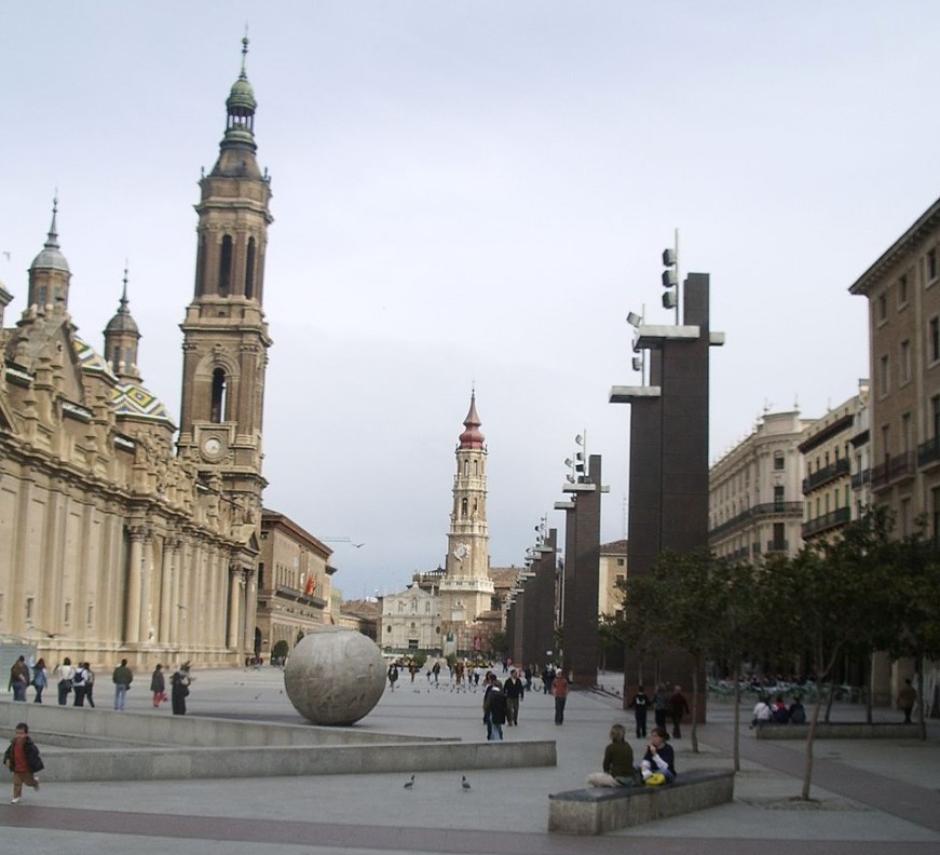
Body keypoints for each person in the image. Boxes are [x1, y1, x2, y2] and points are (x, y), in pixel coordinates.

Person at [3, 722, 44, 804]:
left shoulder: (29, 745)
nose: (19, 736)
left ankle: (35, 782)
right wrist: (7, 759)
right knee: (16, 783)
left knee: (28, 783)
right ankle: (16, 797)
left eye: (21, 733)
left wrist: (34, 764)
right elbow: (8, 753)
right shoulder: (13, 744)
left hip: (27, 769)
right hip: (17, 768)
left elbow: (35, 753)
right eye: (17, 733)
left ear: (26, 734)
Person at [483, 675, 507, 741]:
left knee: (494, 728)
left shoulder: (491, 692)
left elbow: (487, 703)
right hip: (500, 713)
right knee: (498, 727)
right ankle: (499, 738)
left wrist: (485, 710)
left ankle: (496, 741)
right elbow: (506, 705)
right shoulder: (502, 693)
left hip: (492, 712)